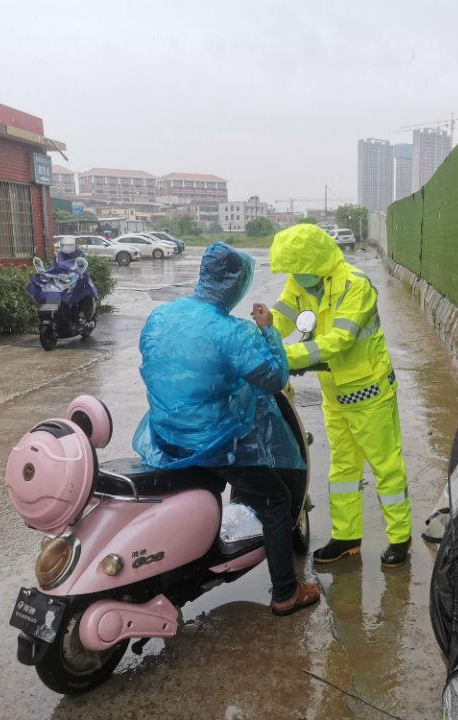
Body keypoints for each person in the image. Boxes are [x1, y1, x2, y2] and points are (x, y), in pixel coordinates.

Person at [132, 242, 320, 615]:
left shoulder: (162, 315)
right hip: (211, 443)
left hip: (165, 436)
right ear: (236, 285)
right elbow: (273, 378)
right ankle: (286, 593)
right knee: (277, 500)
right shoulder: (234, 332)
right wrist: (267, 331)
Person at [267, 224, 411, 568]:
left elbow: (338, 341)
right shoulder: (301, 282)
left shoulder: (355, 286)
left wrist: (286, 357)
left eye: (298, 269)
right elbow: (284, 316)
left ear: (315, 262)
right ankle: (347, 537)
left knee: (386, 467)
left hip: (370, 392)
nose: (295, 277)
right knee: (343, 467)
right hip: (334, 395)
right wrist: (261, 331)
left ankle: (400, 538)